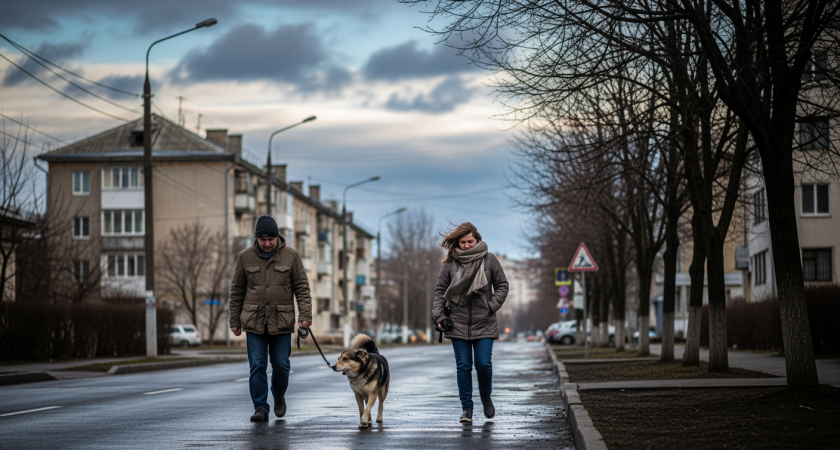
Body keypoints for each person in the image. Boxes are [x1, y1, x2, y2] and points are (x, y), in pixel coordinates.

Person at [229, 215, 312, 422]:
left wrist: (305, 316)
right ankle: (261, 408)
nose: (267, 243)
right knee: (257, 365)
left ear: (277, 237)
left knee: (282, 365)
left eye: (270, 239)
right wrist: (234, 320)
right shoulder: (245, 257)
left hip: (281, 322)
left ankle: (279, 394)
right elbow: (237, 291)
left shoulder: (291, 256)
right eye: (262, 239)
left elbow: (302, 288)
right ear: (256, 238)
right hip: (254, 322)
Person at [432, 222, 509, 423]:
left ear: (478, 240)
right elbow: (440, 291)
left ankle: (486, 397)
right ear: (457, 243)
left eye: (470, 241)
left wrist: (491, 306)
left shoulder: (489, 260)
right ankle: (467, 408)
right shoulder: (450, 264)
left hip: (484, 322)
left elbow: (502, 285)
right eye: (463, 242)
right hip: (457, 323)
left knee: (483, 364)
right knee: (463, 366)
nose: (466, 245)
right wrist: (439, 317)